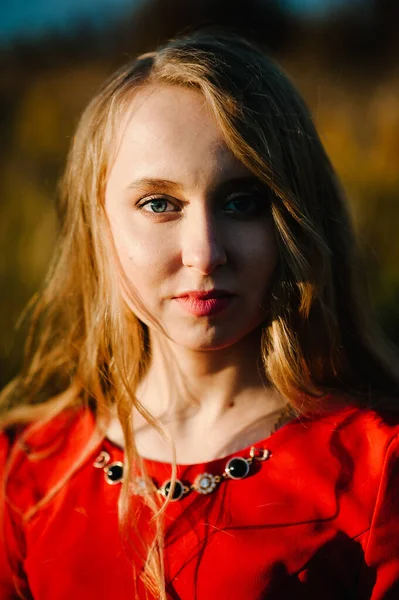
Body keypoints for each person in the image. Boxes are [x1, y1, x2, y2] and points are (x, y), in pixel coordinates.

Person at [1, 29, 399, 600]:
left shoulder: (375, 475)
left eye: (243, 201)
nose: (206, 253)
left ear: (296, 215)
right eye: (159, 203)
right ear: (99, 225)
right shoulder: (27, 476)